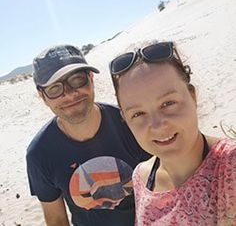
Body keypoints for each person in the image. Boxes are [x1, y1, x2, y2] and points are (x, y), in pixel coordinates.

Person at [109, 40, 236, 225]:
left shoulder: (229, 165)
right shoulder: (141, 178)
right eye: (138, 114)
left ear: (192, 96)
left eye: (168, 103)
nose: (158, 125)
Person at [26, 44, 151, 226]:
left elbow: (164, 184)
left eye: (76, 80)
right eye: (54, 89)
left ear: (91, 79)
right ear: (42, 96)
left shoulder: (129, 124)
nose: (69, 94)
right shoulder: (39, 154)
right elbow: (56, 219)